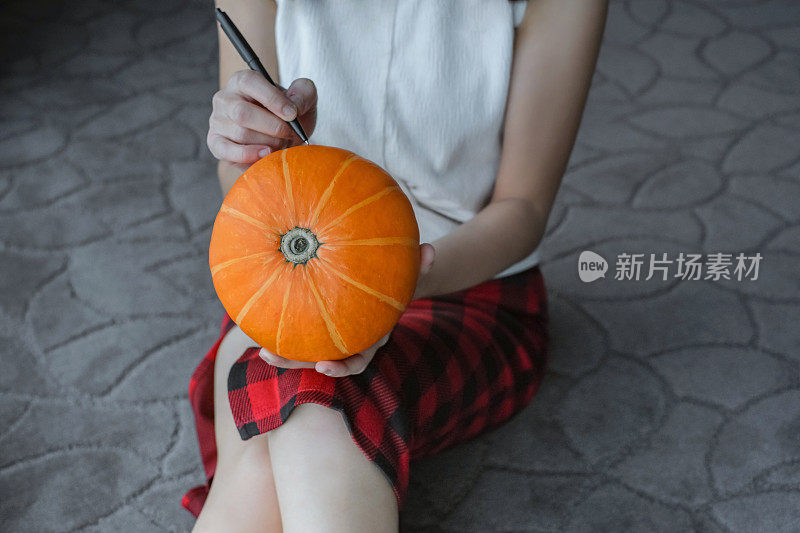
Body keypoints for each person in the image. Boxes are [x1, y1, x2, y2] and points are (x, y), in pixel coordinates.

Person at [185, 0, 608, 531]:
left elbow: (523, 208)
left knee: (308, 413)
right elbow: (242, 186)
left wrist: (393, 283)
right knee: (276, 394)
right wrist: (246, 154)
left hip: (466, 282)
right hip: (291, 280)